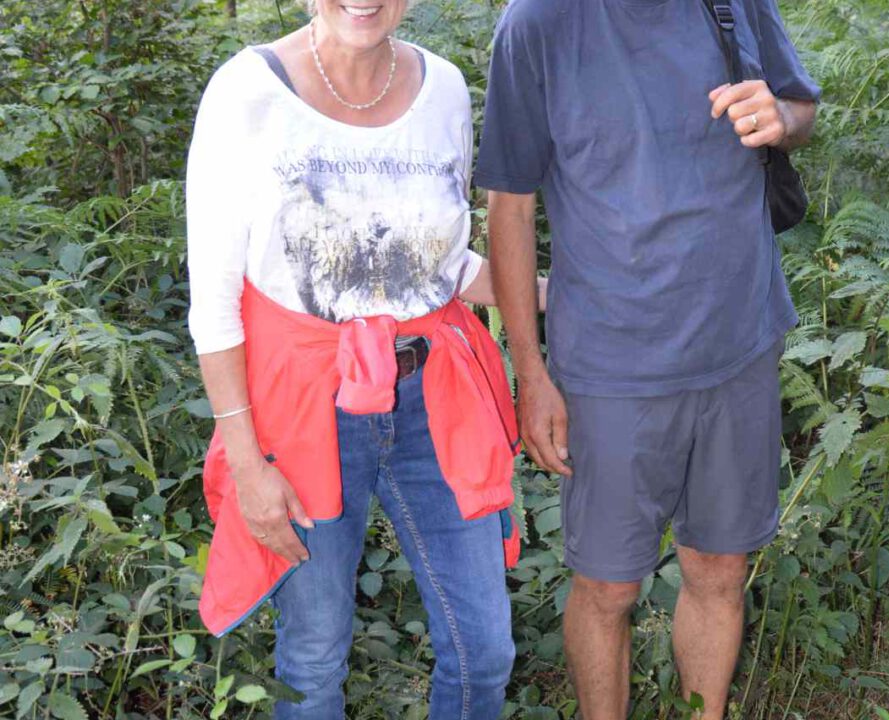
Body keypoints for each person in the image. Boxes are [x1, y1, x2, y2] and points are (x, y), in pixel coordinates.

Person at [185, 1, 545, 717]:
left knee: (484, 649)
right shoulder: (246, 91)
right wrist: (249, 465)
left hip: (430, 401)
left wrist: (557, 291)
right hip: (303, 414)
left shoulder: (442, 87)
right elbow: (214, 305)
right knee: (314, 658)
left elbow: (435, 262)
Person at [475, 0, 820, 718]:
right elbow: (509, 204)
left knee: (720, 571)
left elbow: (800, 107)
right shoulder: (538, 23)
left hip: (739, 342)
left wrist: (782, 120)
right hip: (610, 363)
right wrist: (530, 373)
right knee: (607, 587)